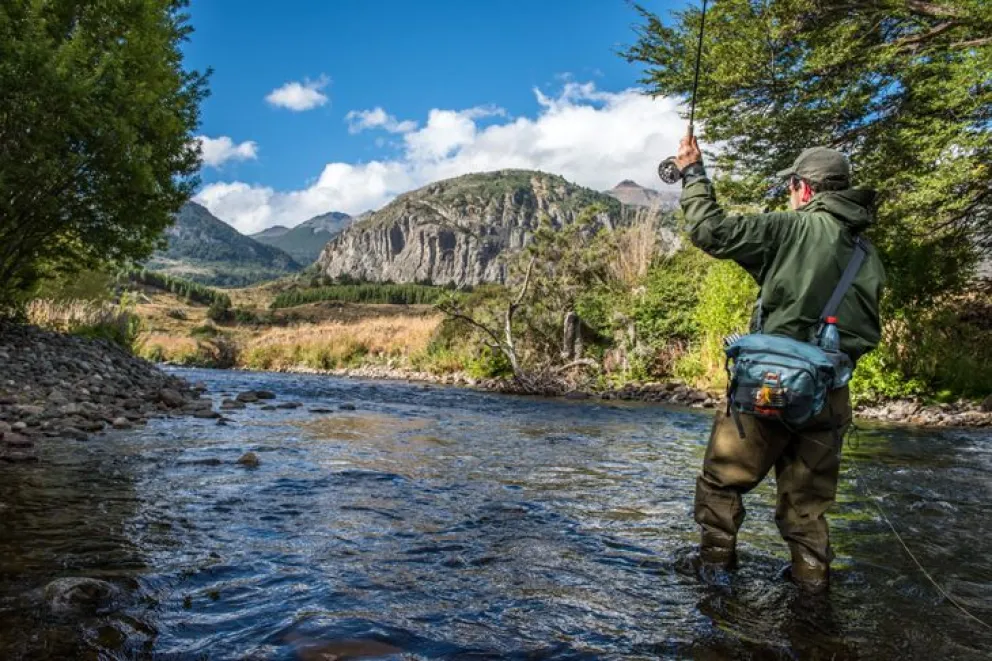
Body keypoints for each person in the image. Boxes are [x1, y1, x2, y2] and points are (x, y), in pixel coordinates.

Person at [673, 136, 886, 593]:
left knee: (721, 484)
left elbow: (710, 230)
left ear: (803, 189)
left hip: (767, 387)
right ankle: (811, 594)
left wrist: (693, 173)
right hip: (830, 394)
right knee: (808, 509)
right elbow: (868, 331)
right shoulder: (867, 254)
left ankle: (714, 579)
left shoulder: (790, 227)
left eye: (791, 187)